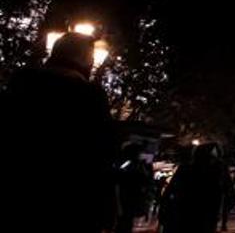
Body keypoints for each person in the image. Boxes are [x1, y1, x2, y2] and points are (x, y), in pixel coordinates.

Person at [0, 32, 118, 233]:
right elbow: (101, 153)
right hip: (67, 201)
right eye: (90, 57)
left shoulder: (20, 83)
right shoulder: (89, 95)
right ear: (83, 58)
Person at [116, 143, 154, 233]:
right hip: (126, 201)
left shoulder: (134, 165)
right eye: (139, 153)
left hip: (129, 202)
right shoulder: (128, 166)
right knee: (124, 223)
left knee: (126, 223)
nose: (141, 155)